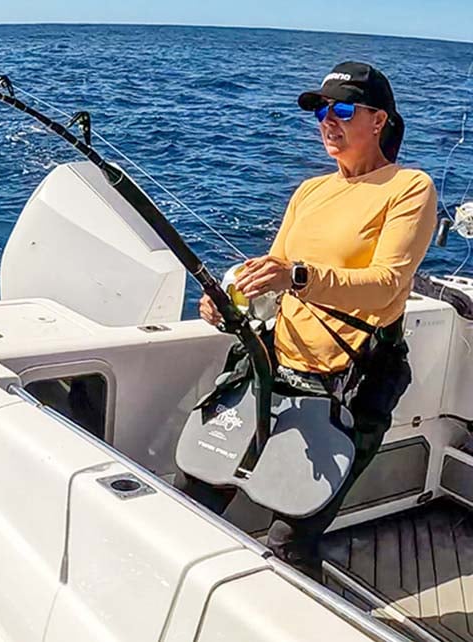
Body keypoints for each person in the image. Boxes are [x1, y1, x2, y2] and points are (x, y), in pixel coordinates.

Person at [176, 61, 438, 579]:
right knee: (193, 496)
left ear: (379, 121)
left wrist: (297, 274)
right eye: (321, 111)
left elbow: (388, 283)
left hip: (350, 385)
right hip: (272, 370)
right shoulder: (309, 192)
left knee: (291, 539)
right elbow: (267, 283)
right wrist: (230, 305)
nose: (327, 121)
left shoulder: (409, 187)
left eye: (343, 110)